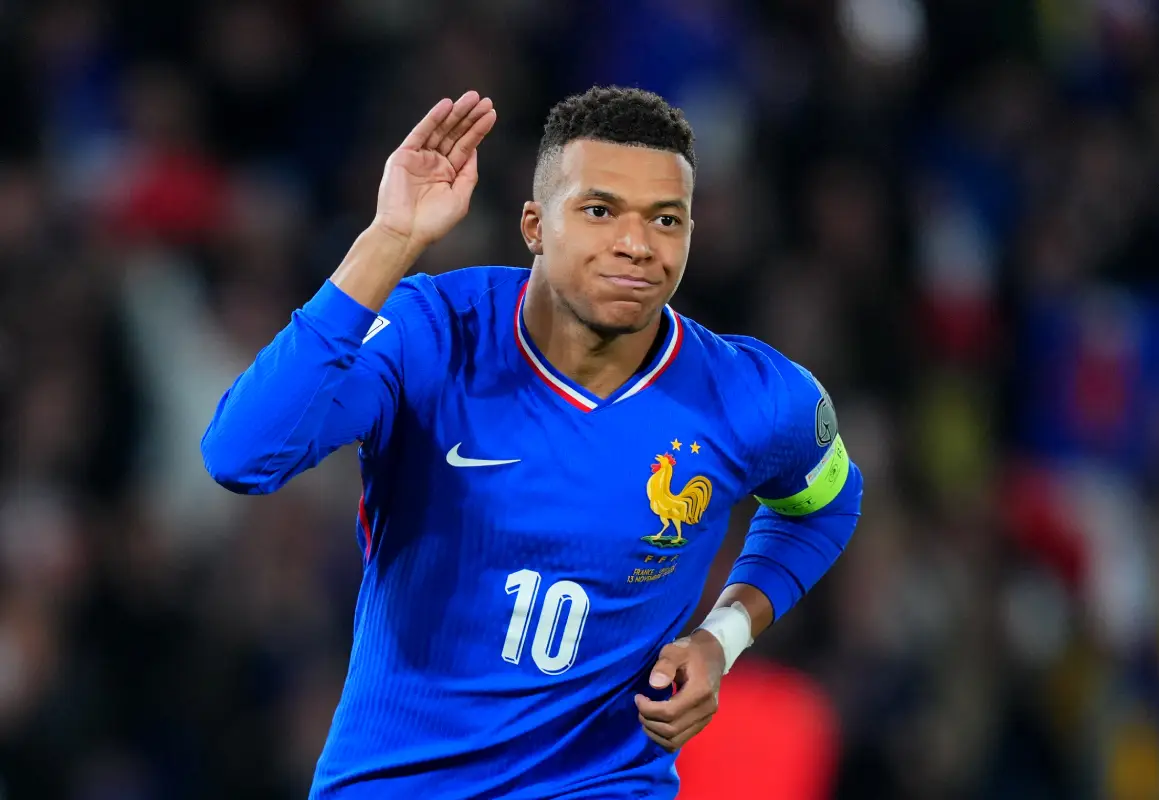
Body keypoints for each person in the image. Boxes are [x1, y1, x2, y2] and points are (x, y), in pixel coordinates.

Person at [201, 86, 864, 799]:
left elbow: (827, 502)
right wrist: (389, 239)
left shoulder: (750, 398)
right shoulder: (434, 337)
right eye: (600, 211)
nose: (636, 245)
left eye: (665, 220)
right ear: (534, 225)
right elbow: (242, 455)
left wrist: (723, 636)